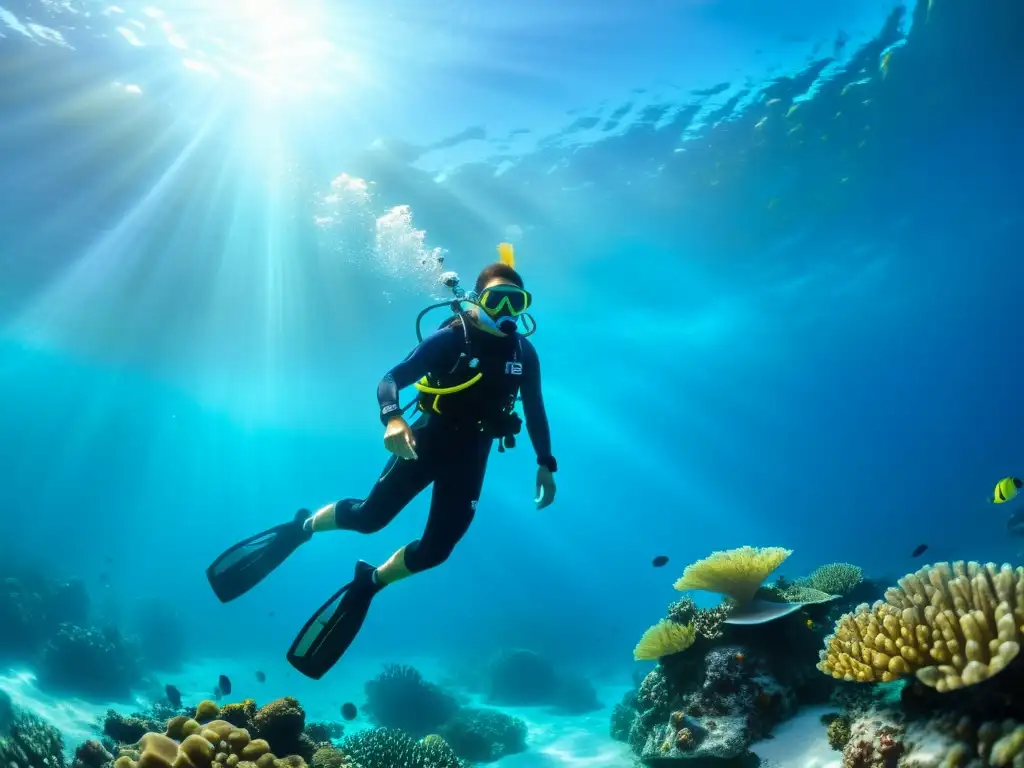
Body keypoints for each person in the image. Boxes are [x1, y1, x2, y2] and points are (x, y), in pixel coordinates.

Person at [205, 256, 558, 679]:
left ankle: (370, 582)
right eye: (495, 300)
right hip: (425, 441)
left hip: (473, 452)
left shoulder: (524, 351)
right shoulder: (452, 340)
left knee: (437, 550)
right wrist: (393, 417)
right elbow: (391, 378)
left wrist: (545, 462)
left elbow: (535, 406)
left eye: (515, 302)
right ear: (475, 301)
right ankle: (302, 528)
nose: (506, 313)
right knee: (370, 518)